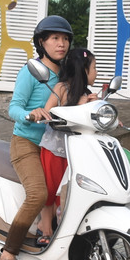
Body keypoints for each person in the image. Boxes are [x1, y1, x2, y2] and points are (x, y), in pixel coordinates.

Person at [0, 15, 72, 260]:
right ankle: (9, 251)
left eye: (64, 39)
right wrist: (31, 114)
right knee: (39, 194)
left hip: (58, 145)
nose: (61, 44)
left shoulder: (67, 72)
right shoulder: (30, 71)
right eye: (54, 39)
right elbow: (14, 107)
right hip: (27, 142)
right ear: (42, 42)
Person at [36, 48, 99, 244]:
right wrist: (76, 107)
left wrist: (97, 107)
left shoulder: (89, 95)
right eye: (94, 68)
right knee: (50, 188)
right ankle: (44, 227)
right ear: (83, 70)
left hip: (76, 152)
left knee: (67, 191)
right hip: (55, 148)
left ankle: (65, 228)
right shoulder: (61, 89)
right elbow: (48, 112)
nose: (96, 73)